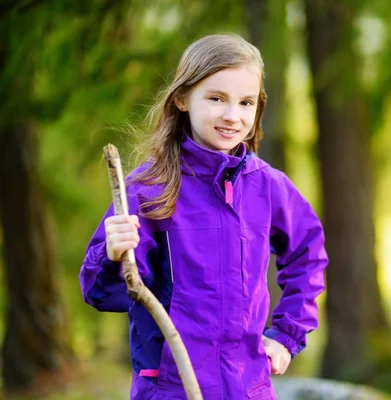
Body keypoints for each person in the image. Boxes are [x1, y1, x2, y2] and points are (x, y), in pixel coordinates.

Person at [79, 34, 328, 400]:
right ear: (182, 99)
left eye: (246, 103)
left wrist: (287, 337)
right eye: (216, 98)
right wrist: (113, 256)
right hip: (170, 388)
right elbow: (106, 294)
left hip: (248, 389)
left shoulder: (267, 186)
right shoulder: (148, 190)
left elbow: (308, 252)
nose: (232, 116)